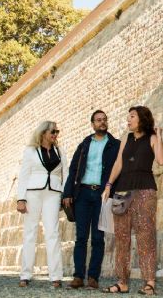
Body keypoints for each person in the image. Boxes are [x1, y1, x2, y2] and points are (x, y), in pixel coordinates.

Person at [101, 106, 163, 295]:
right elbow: (118, 164)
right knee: (121, 238)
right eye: (127, 117)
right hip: (122, 190)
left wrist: (160, 137)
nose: (128, 120)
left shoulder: (152, 138)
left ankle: (150, 282)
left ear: (142, 119)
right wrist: (108, 185)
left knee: (145, 235)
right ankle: (122, 282)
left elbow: (162, 160)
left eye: (132, 117)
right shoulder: (126, 138)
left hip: (145, 190)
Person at [62, 110, 120, 289]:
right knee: (80, 237)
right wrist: (67, 193)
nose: (102, 122)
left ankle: (93, 277)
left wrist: (113, 193)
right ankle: (78, 276)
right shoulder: (85, 144)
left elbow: (119, 170)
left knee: (97, 237)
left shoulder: (115, 144)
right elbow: (73, 170)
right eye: (98, 120)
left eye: (104, 120)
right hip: (83, 194)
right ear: (92, 124)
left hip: (102, 195)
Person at [17, 121, 67, 288]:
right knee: (30, 232)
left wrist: (64, 195)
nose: (55, 134)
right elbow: (24, 175)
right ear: (43, 132)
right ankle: (25, 274)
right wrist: (21, 199)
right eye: (52, 131)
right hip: (33, 193)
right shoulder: (31, 151)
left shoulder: (60, 151)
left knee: (52, 232)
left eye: (57, 131)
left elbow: (65, 174)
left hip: (53, 194)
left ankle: (56, 276)